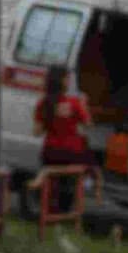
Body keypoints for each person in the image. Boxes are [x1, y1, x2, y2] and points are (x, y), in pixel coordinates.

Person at [34, 66, 94, 214]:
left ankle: (48, 213)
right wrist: (84, 105)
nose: (69, 81)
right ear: (62, 81)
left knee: (51, 186)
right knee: (87, 160)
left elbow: (37, 132)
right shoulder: (74, 103)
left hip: (50, 152)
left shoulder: (43, 103)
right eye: (67, 78)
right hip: (71, 153)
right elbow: (88, 125)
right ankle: (87, 184)